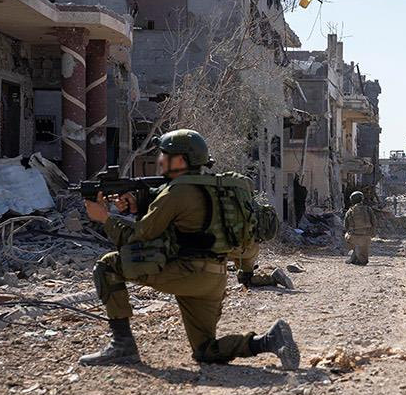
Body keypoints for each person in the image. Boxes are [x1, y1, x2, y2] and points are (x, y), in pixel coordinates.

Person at [79, 129, 299, 369]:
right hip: (214, 278)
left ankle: (122, 346)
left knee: (108, 265)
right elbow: (187, 217)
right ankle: (269, 340)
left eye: (165, 154)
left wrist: (105, 218)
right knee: (206, 350)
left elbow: (135, 238)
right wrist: (138, 203)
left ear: (180, 161)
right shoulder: (214, 186)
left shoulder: (177, 192)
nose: (160, 159)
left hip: (186, 273)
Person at [344, 191, 376, 266]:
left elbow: (346, 225)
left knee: (347, 237)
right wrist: (372, 233)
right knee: (363, 258)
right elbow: (374, 222)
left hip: (353, 236)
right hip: (366, 236)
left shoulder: (350, 211)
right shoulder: (368, 209)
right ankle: (357, 257)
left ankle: (354, 255)